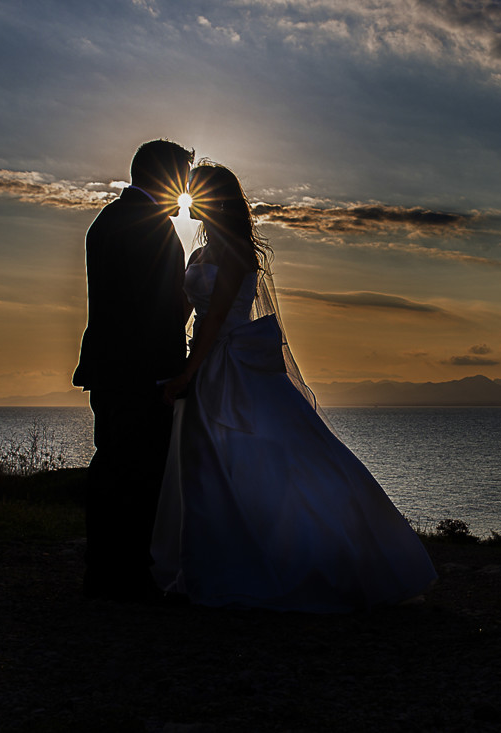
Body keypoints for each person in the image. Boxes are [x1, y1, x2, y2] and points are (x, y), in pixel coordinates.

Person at [153, 162, 437, 612]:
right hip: (208, 367)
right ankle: (211, 567)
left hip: (231, 368)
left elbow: (215, 322)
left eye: (198, 195)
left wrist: (188, 372)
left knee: (276, 462)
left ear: (216, 200)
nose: (192, 205)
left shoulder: (237, 254)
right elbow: (186, 310)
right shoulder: (198, 253)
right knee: (206, 470)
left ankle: (328, 556)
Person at [72, 139, 194, 602]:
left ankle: (105, 571)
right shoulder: (149, 227)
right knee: (139, 472)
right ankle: (124, 576)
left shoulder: (109, 220)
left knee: (112, 465)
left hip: (110, 367)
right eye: (181, 177)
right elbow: (155, 309)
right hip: (142, 372)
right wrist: (172, 371)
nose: (184, 188)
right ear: (163, 177)